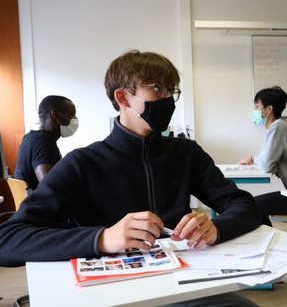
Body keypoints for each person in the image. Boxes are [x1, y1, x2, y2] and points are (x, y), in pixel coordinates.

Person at [0, 50, 262, 307]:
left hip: (183, 284)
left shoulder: (186, 153)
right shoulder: (83, 163)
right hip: (112, 291)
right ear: (123, 97)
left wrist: (217, 228)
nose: (168, 98)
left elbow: (245, 206)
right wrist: (101, 238)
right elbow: (8, 240)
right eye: (157, 88)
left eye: (171, 90)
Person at [238, 86, 287, 226]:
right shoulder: (280, 126)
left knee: (252, 205)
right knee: (252, 204)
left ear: (269, 109)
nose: (255, 111)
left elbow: (266, 165)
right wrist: (255, 159)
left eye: (257, 106)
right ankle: (266, 242)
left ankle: (267, 243)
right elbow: (267, 158)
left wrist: (252, 159)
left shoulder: (278, 127)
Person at [14, 95, 78, 190]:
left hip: (27, 202)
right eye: (72, 113)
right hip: (39, 204)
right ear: (55, 115)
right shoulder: (44, 143)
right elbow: (50, 187)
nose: (75, 118)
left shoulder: (30, 137)